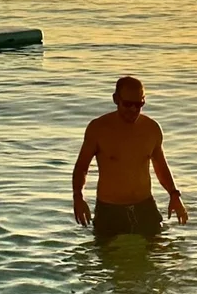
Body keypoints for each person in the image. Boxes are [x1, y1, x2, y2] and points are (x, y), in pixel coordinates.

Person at [72, 76, 188, 242]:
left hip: (144, 207)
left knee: (157, 260)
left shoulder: (151, 129)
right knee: (108, 262)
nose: (134, 109)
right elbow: (82, 167)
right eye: (128, 104)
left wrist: (174, 195)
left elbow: (160, 166)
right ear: (116, 99)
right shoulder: (98, 129)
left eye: (139, 104)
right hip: (110, 210)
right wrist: (78, 197)